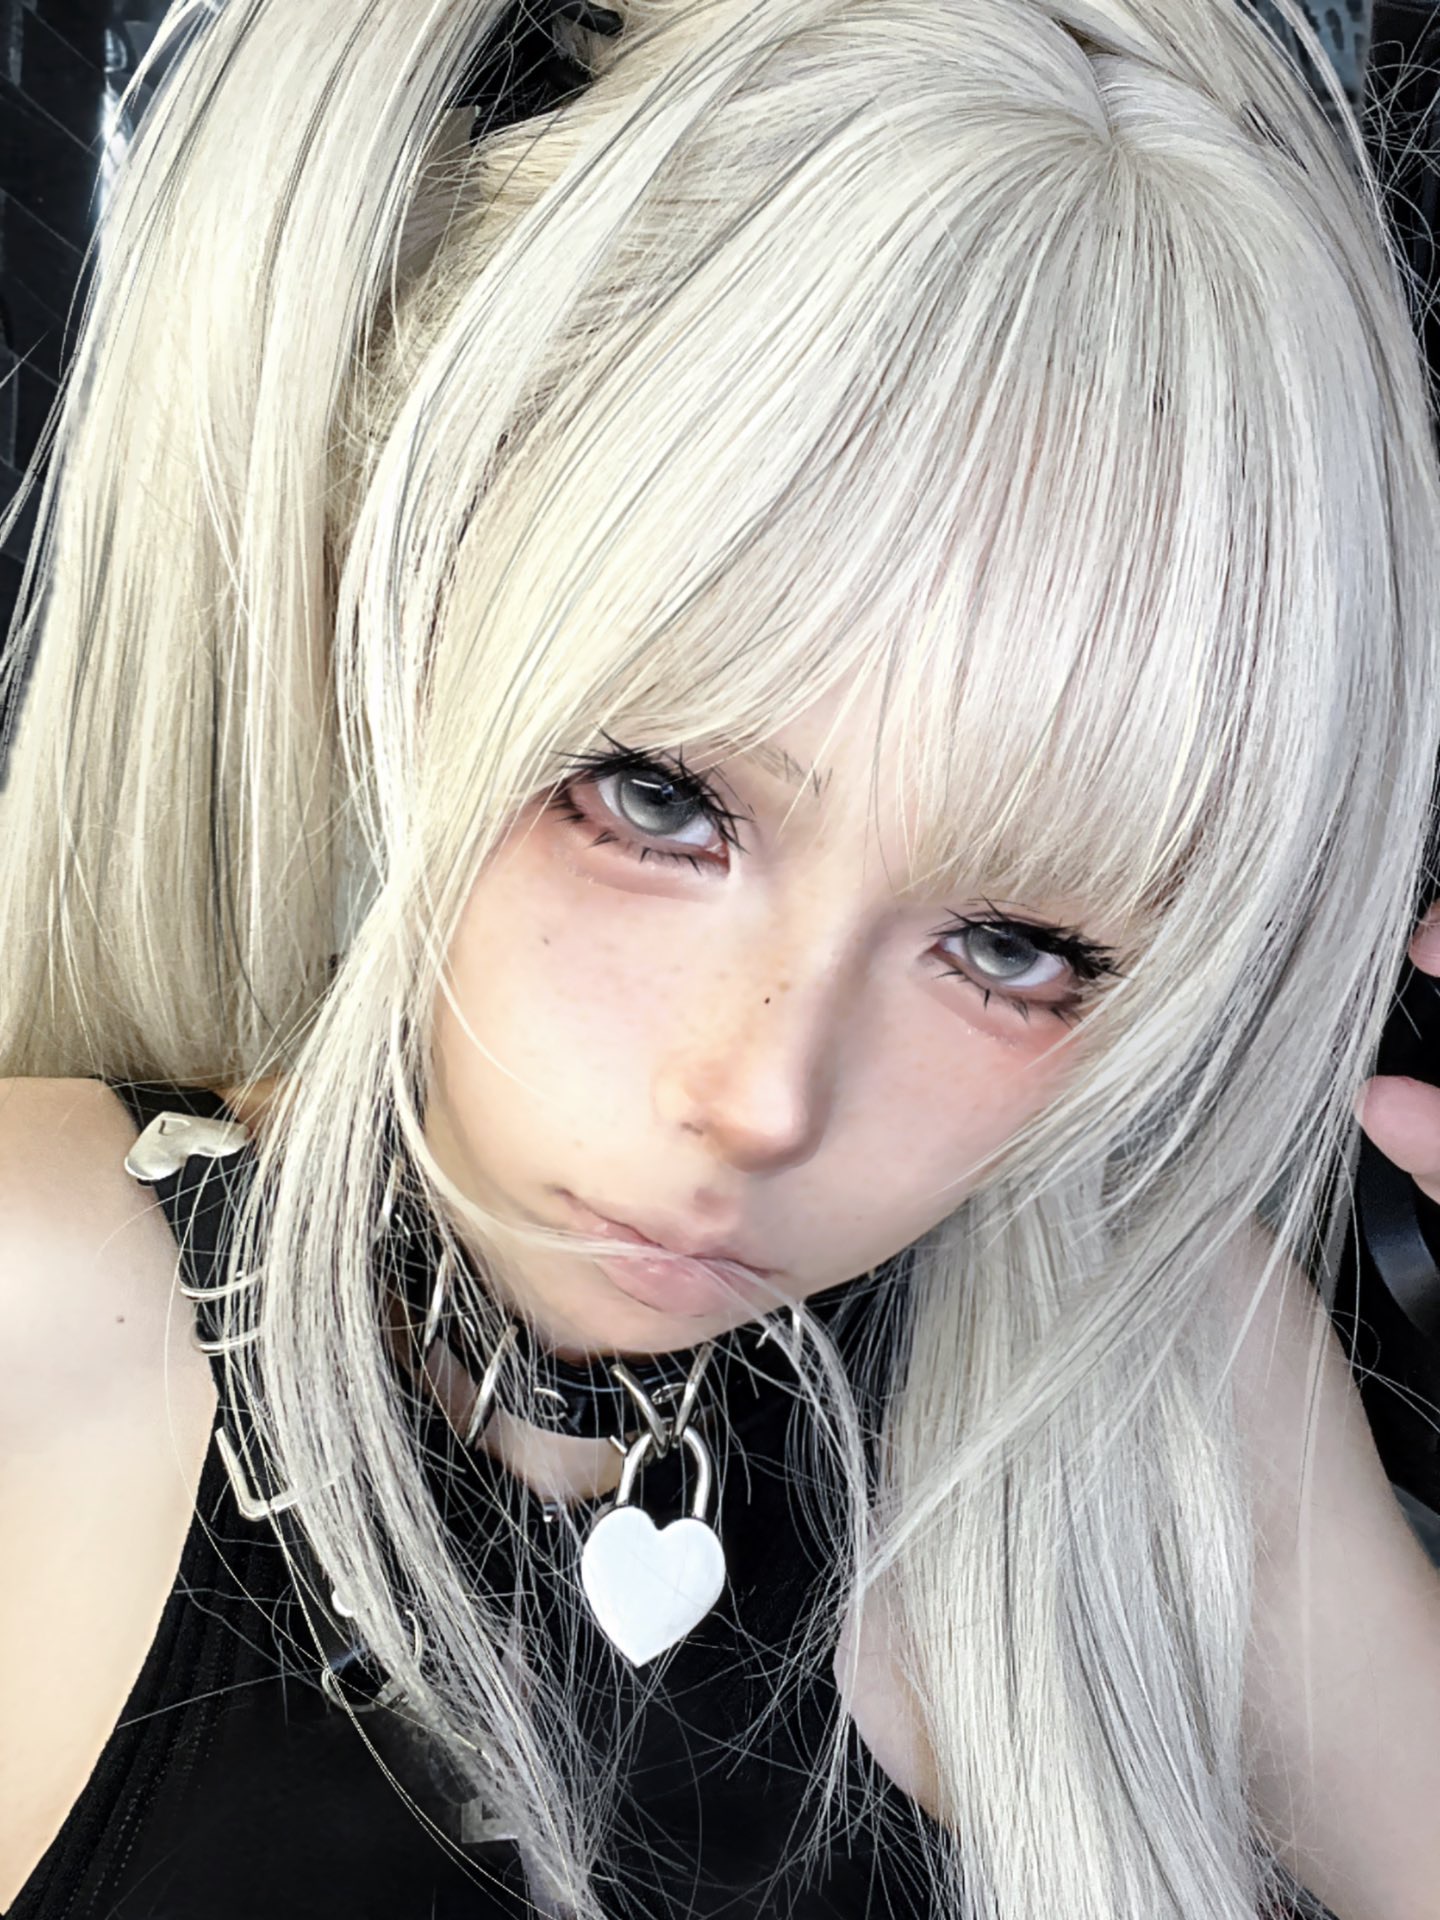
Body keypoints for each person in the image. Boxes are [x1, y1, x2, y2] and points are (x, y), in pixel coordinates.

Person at [1, 0, 1439, 1915]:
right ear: (401, 605)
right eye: (658, 801)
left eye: (1015, 945)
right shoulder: (36, 1298)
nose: (762, 1099)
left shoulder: (1165, 1394)